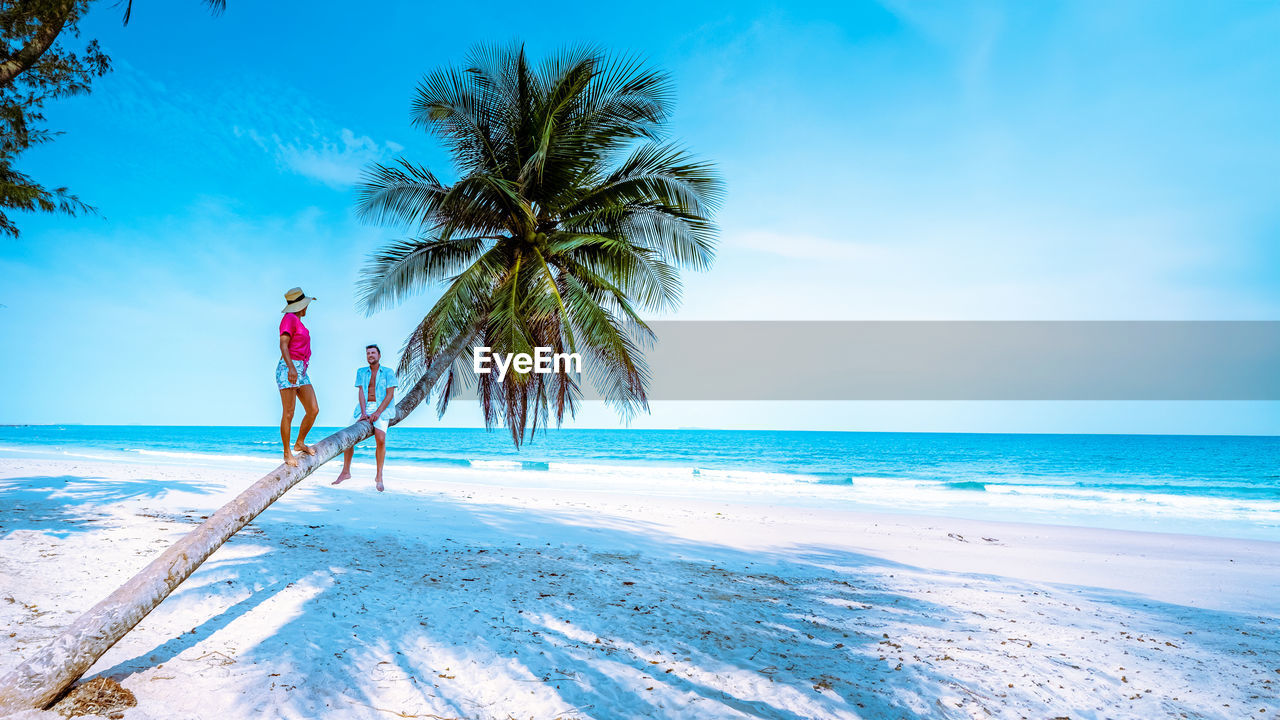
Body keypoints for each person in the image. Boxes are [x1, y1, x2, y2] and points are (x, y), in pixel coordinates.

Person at [333, 344, 397, 491]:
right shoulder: (361, 372)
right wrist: (363, 413)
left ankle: (379, 475)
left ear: (379, 355)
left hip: (382, 408)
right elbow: (361, 393)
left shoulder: (388, 372)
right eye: (368, 353)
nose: (370, 355)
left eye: (373, 353)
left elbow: (390, 395)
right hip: (365, 407)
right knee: (348, 436)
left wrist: (377, 413)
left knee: (380, 439)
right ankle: (345, 471)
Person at [277, 287, 319, 468]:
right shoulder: (289, 319)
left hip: (301, 370)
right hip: (289, 367)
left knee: (313, 409)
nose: (307, 307)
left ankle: (300, 442)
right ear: (299, 306)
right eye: (305, 305)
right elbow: (283, 345)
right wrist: (292, 368)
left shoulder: (298, 322)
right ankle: (287, 452)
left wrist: (298, 369)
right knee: (289, 412)